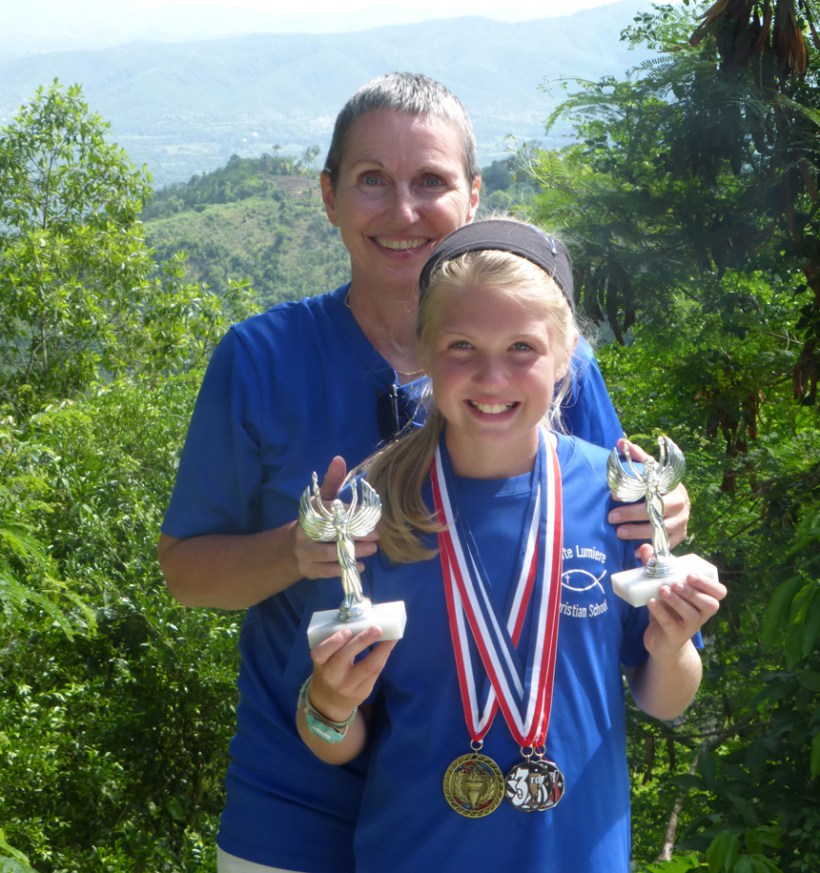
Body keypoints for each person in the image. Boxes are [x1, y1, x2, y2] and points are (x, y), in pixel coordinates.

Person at [158, 75, 690, 873]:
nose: (404, 211)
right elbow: (186, 571)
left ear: (473, 197)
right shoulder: (260, 359)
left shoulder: (558, 367)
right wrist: (299, 551)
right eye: (372, 180)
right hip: (296, 799)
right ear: (329, 196)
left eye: (431, 182)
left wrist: (663, 517)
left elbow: (609, 526)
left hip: (502, 825)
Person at [298, 219, 726, 872]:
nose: (492, 376)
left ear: (565, 355)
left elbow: (664, 697)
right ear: (423, 350)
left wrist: (669, 645)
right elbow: (337, 737)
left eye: (522, 346)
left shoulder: (619, 498)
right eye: (462, 344)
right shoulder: (374, 505)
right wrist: (329, 703)